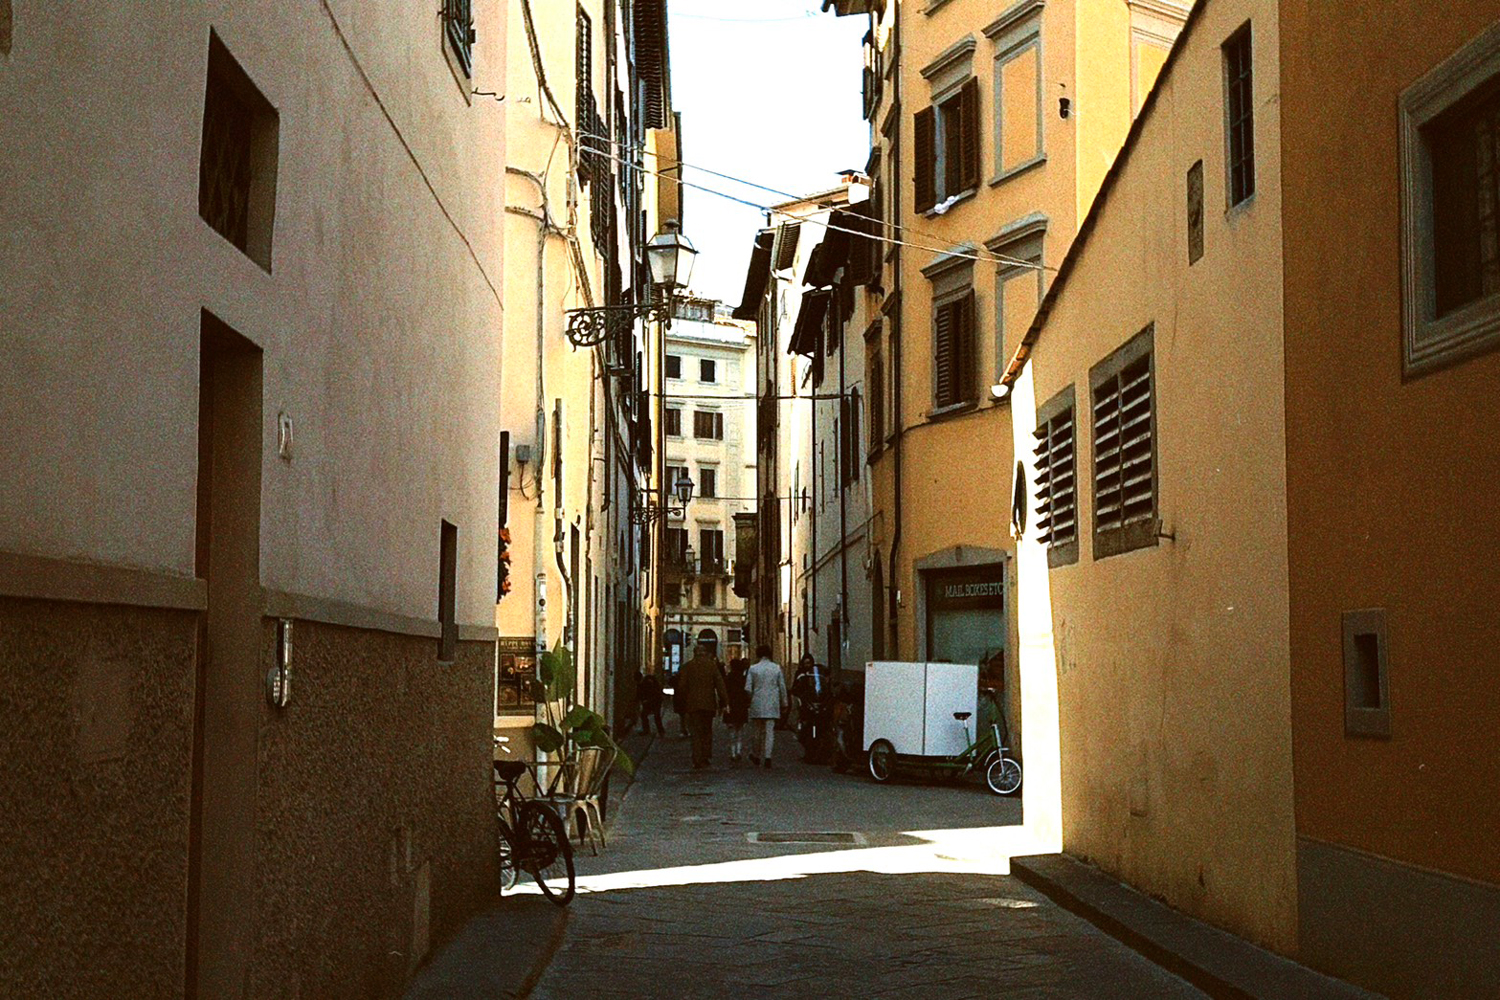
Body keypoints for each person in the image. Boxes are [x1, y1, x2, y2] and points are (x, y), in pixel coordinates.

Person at [678, 642, 729, 769]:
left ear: (694, 654)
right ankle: (706, 756)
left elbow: (681, 687)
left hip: (693, 705)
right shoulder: (711, 666)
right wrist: (725, 702)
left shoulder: (687, 667)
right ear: (705, 653)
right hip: (709, 705)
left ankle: (697, 758)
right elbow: (720, 685)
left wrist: (681, 703)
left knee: (695, 732)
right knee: (707, 731)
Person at [745, 644, 789, 769]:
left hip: (757, 702)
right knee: (770, 731)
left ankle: (756, 755)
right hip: (772, 703)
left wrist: (750, 700)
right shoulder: (776, 668)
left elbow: (748, 688)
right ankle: (768, 757)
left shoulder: (753, 669)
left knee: (757, 732)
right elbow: (782, 687)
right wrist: (784, 703)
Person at [724, 658, 752, 763]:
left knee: (731, 731)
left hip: (730, 706)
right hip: (741, 706)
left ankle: (733, 752)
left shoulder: (727, 678)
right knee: (740, 731)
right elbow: (746, 692)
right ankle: (739, 751)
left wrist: (724, 705)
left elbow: (724, 693)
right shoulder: (743, 679)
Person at [637, 669, 664, 736]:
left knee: (652, 715)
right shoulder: (645, 682)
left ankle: (650, 731)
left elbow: (652, 693)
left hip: (655, 701)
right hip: (654, 701)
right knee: (652, 715)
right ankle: (660, 731)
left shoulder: (646, 683)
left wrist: (646, 700)